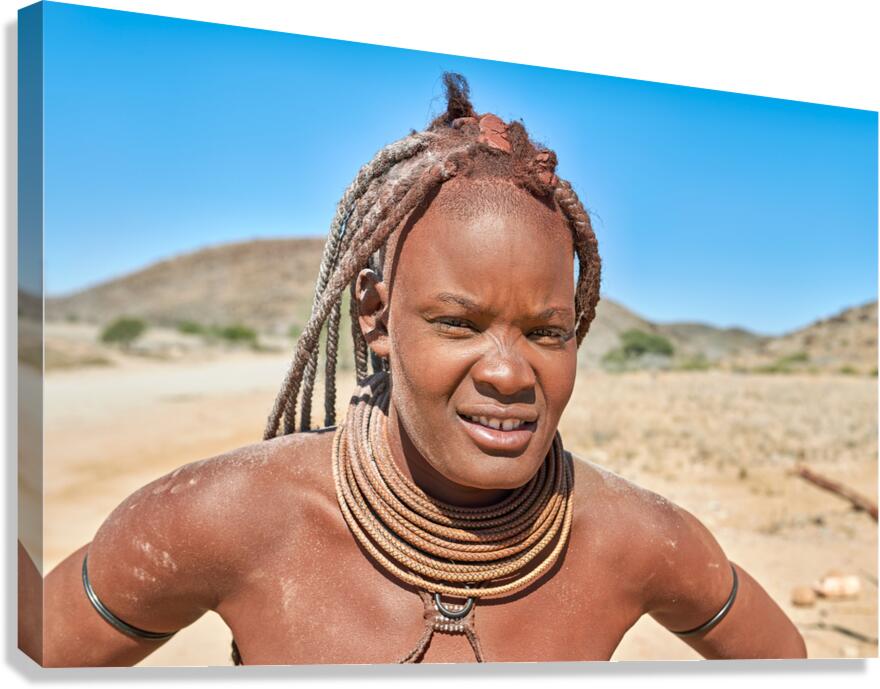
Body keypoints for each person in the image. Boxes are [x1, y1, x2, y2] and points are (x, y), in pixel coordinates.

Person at [20, 73, 806, 667]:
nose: (507, 371)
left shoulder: (633, 539)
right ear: (375, 314)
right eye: (458, 322)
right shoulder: (228, 517)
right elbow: (34, 654)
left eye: (547, 331)